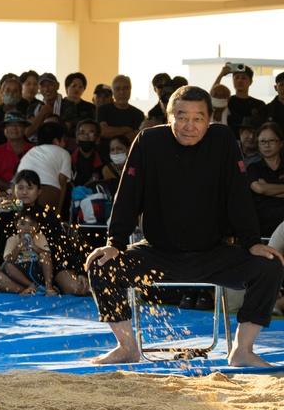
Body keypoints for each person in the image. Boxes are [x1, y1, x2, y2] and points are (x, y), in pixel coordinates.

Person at [84, 85, 284, 367]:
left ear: (210, 119)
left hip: (213, 254)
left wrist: (252, 242)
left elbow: (238, 195)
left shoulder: (223, 139)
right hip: (157, 253)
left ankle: (242, 350)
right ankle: (127, 346)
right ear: (169, 117)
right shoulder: (148, 141)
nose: (189, 126)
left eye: (198, 118)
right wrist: (115, 244)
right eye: (181, 117)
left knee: (269, 265)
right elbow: (127, 194)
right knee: (101, 264)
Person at [0, 170, 87, 295]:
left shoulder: (47, 215)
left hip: (47, 270)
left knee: (77, 288)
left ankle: (45, 287)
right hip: (14, 271)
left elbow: (65, 246)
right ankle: (32, 290)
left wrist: (80, 272)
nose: (24, 192)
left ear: (39, 191)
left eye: (30, 188)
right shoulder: (4, 212)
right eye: (20, 188)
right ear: (14, 189)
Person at [0, 209, 57, 296]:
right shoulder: (12, 240)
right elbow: (8, 260)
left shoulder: (40, 237)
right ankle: (30, 285)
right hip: (19, 271)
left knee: (45, 256)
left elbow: (48, 255)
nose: (27, 228)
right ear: (16, 225)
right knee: (6, 265)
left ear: (38, 227)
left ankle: (48, 287)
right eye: (23, 224)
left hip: (36, 268)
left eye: (31, 224)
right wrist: (19, 246)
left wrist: (34, 247)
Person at [16, 121, 72, 211]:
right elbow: (62, 182)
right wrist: (58, 209)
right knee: (44, 220)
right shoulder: (64, 153)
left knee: (20, 217)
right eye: (64, 140)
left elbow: (17, 178)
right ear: (56, 141)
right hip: (48, 194)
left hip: (23, 193)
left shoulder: (31, 152)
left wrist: (13, 199)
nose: (65, 144)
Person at [247, 121, 284, 237]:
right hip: (263, 217)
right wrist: (265, 189)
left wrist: (269, 188)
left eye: (271, 140)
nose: (267, 145)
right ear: (258, 144)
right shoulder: (253, 168)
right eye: (262, 141)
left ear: (281, 143)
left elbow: (264, 190)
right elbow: (259, 189)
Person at [96, 75, 144, 164]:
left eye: (125, 88)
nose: (122, 92)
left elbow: (136, 138)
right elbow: (103, 131)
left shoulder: (138, 114)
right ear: (113, 92)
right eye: (118, 89)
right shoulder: (103, 109)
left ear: (130, 90)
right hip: (104, 158)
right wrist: (126, 129)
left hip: (129, 161)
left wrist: (112, 132)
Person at [212, 63, 265, 137]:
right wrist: (221, 75)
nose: (240, 80)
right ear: (233, 81)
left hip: (251, 142)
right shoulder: (227, 101)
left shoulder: (259, 104)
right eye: (236, 78)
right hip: (228, 140)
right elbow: (214, 95)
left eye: (244, 78)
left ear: (250, 81)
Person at [0, 111, 33, 192]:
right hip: (4, 197)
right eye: (9, 125)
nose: (14, 128)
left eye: (18, 125)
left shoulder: (34, 150)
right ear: (4, 130)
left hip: (31, 196)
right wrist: (14, 189)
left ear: (24, 128)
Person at [25, 72, 76, 139]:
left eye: (49, 85)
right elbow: (27, 132)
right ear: (39, 88)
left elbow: (64, 131)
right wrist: (43, 112)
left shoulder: (68, 105)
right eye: (43, 86)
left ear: (57, 85)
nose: (46, 89)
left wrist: (38, 123)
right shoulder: (33, 107)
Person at [71, 119, 103, 188]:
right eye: (82, 133)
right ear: (76, 138)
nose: (86, 137)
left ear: (97, 139)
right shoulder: (67, 160)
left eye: (91, 134)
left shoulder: (103, 164)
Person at [64, 72, 96, 138]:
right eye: (74, 85)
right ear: (67, 87)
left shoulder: (90, 107)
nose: (77, 89)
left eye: (80, 87)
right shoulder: (59, 105)